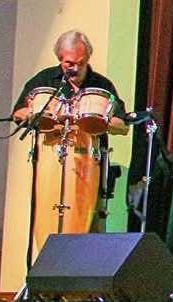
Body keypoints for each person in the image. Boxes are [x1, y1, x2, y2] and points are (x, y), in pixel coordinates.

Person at [11, 30, 128, 252]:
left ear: (88, 58)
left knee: (85, 226)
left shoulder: (101, 84)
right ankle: (46, 262)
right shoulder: (45, 80)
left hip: (88, 162)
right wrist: (37, 114)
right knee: (46, 215)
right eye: (68, 63)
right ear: (60, 59)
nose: (74, 68)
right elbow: (18, 113)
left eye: (80, 63)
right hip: (49, 159)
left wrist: (99, 121)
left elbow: (122, 125)